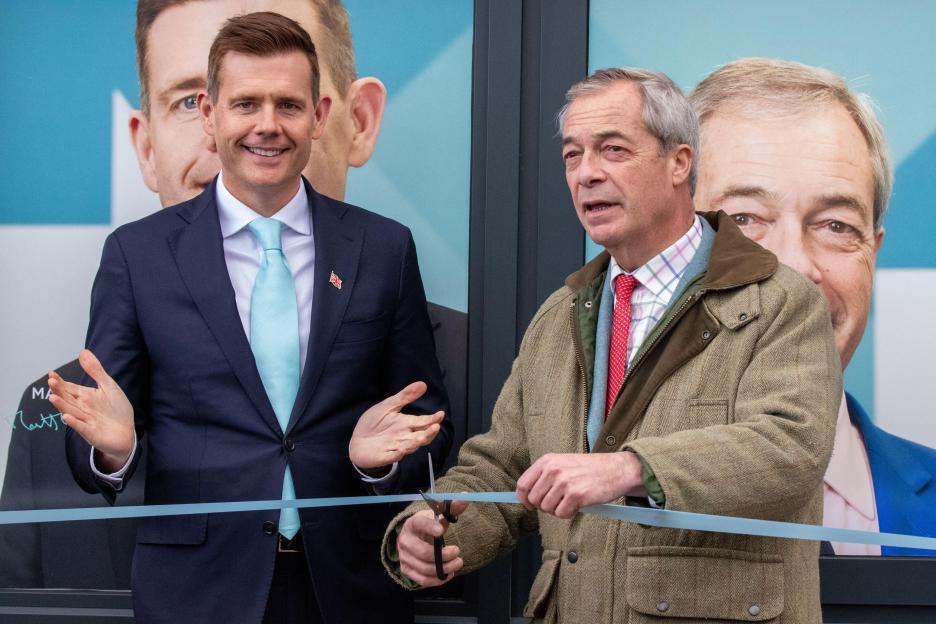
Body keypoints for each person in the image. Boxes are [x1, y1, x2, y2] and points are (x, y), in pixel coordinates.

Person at [1, 0, 466, 589]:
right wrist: (114, 451)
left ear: (321, 116)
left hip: (349, 584)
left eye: (288, 105)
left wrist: (377, 465)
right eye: (245, 104)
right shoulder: (138, 255)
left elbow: (426, 421)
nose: (266, 125)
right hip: (198, 588)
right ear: (210, 115)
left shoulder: (383, 248)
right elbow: (98, 432)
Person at [382, 67, 841, 623]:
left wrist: (629, 468)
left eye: (613, 150)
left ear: (680, 162)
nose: (586, 174)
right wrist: (436, 531)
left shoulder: (780, 301)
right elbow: (504, 470)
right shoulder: (558, 316)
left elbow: (789, 449)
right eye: (573, 155)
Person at [690, 57, 936, 556]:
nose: (795, 268)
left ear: (873, 253)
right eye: (743, 218)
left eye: (836, 225)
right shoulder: (558, 509)